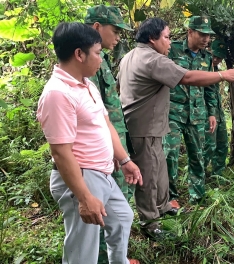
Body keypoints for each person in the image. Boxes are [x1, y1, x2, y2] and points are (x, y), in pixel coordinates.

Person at [117, 17, 234, 240]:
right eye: (166, 37)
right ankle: (150, 223)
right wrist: (222, 75)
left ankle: (163, 206)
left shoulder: (130, 55)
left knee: (159, 170)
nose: (169, 42)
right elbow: (186, 77)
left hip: (151, 126)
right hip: (144, 127)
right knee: (147, 176)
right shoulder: (153, 59)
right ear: (152, 38)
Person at [36, 22, 142, 264]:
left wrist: (125, 160)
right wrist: (84, 197)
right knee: (83, 250)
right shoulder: (58, 94)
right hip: (82, 177)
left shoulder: (87, 85)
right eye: (97, 53)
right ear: (79, 54)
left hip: (102, 173)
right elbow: (61, 153)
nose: (100, 59)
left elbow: (106, 125)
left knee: (122, 217)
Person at [84, 5, 137, 264]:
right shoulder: (85, 61)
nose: (118, 38)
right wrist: (111, 150)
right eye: (115, 31)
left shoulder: (101, 57)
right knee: (102, 209)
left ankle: (117, 257)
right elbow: (92, 116)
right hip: (99, 150)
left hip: (112, 142)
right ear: (96, 28)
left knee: (120, 209)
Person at [164, 15, 218, 208]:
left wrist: (212, 113)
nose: (206, 39)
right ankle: (170, 196)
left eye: (208, 35)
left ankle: (197, 195)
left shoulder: (207, 57)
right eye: (202, 34)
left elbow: (211, 87)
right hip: (173, 111)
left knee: (198, 155)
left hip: (197, 114)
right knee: (170, 154)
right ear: (190, 32)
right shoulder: (173, 50)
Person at [204, 39, 229, 178]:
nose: (215, 59)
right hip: (206, 114)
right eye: (214, 56)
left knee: (223, 144)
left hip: (218, 113)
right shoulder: (202, 69)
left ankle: (217, 175)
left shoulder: (217, 70)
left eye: (219, 58)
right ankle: (198, 176)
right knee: (208, 146)